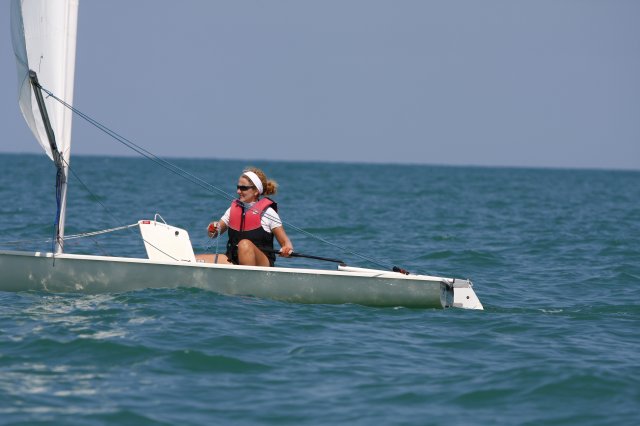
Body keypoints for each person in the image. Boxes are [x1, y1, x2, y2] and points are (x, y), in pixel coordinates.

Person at [196, 167, 294, 267]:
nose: (238, 191)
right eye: (238, 187)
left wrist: (286, 249)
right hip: (233, 259)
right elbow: (214, 234)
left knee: (244, 244)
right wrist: (212, 228)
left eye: (243, 188)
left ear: (256, 191)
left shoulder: (268, 213)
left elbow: (286, 243)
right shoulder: (233, 209)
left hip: (262, 263)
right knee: (194, 259)